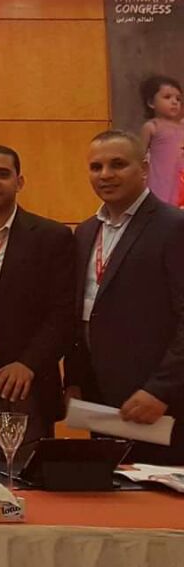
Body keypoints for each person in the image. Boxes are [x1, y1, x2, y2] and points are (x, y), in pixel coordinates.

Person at [68, 130, 184, 464]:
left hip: (158, 402)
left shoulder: (173, 227)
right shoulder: (86, 231)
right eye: (96, 167)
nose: (105, 174)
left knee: (157, 494)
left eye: (117, 164)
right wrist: (74, 381)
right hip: (101, 400)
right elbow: (83, 312)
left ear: (144, 168)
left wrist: (160, 389)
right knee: (110, 487)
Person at [0, 145, 76, 430]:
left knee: (22, 459)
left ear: (19, 181)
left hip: (24, 381)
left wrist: (28, 364)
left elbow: (63, 314)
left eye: (2, 174)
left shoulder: (51, 237)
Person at [138, 75, 184, 206]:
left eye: (178, 99)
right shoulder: (152, 126)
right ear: (151, 103)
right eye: (167, 97)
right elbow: (139, 155)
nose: (174, 102)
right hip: (160, 177)